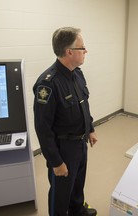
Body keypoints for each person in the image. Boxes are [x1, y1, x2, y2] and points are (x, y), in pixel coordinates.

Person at [33, 27, 98, 216]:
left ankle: (77, 210)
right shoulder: (48, 83)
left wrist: (90, 128)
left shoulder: (77, 73)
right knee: (61, 192)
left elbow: (83, 105)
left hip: (80, 142)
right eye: (82, 48)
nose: (86, 51)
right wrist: (56, 162)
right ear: (69, 52)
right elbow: (42, 128)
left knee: (78, 183)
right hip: (63, 148)